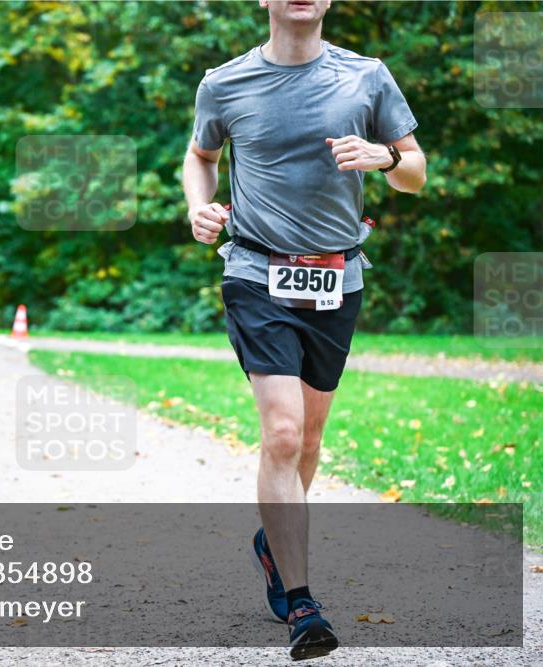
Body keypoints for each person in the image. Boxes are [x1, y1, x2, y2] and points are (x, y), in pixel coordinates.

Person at [182, 0, 426, 660]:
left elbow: (414, 172)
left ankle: (272, 543)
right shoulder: (224, 82)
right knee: (282, 430)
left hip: (336, 279)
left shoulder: (366, 76)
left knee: (309, 437)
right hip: (255, 271)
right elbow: (199, 155)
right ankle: (303, 603)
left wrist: (382, 156)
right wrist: (199, 207)